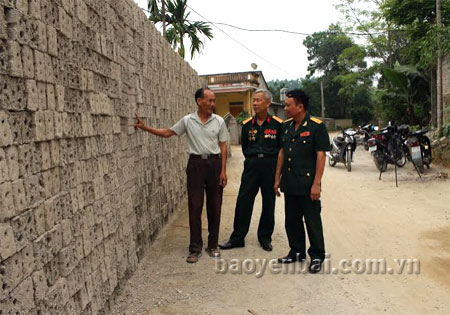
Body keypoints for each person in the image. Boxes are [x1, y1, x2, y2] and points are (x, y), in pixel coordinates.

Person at [134, 87, 229, 263]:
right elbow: (167, 133)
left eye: (214, 100)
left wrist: (223, 170)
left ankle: (213, 245)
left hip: (214, 165)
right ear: (199, 101)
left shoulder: (219, 121)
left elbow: (223, 145)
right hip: (195, 165)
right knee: (195, 205)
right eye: (209, 100)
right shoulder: (188, 120)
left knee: (215, 205)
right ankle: (195, 248)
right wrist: (145, 128)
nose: (212, 104)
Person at [273, 89, 330, 273]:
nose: (285, 108)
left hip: (307, 183)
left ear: (300, 106)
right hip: (289, 182)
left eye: (288, 105)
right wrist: (277, 178)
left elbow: (321, 156)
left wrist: (317, 183)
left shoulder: (316, 126)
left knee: (312, 220)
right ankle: (296, 251)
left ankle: (317, 256)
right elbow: (282, 152)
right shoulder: (287, 126)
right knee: (292, 220)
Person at [220, 89, 283, 252]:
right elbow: (245, 147)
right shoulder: (248, 124)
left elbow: (281, 148)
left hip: (270, 165)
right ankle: (237, 238)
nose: (255, 103)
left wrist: (277, 172)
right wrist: (253, 159)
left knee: (268, 202)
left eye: (258, 100)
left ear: (267, 103)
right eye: (253, 100)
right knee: (243, 201)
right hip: (252, 165)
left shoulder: (278, 124)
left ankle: (265, 237)